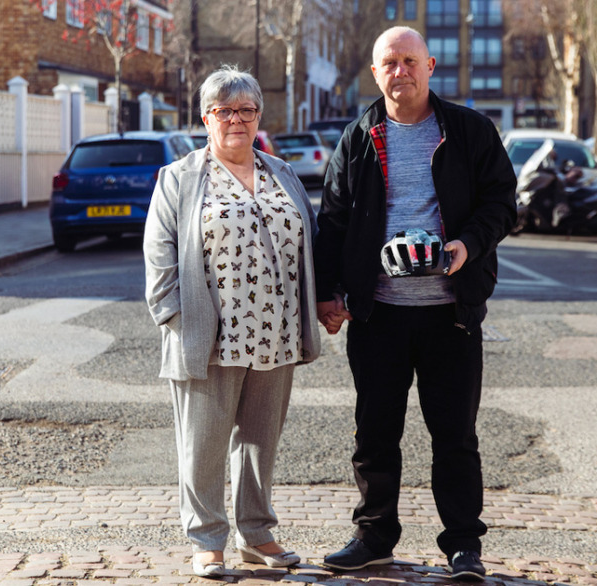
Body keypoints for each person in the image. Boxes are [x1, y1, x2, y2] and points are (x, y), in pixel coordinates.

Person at [313, 26, 516, 581]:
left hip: (450, 312)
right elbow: (330, 221)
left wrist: (465, 247)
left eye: (409, 60)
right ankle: (374, 536)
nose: (399, 71)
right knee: (375, 432)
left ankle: (464, 547)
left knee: (454, 434)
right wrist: (328, 293)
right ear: (374, 73)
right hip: (378, 313)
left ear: (430, 66)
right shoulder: (357, 137)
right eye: (388, 63)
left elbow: (503, 203)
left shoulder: (469, 131)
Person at [143, 64, 321, 578]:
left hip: (277, 330)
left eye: (245, 110)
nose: (235, 120)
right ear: (206, 118)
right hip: (209, 335)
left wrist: (317, 305)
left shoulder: (281, 173)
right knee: (203, 444)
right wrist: (177, 318)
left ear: (258, 115)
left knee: (260, 442)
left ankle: (257, 532)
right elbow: (160, 261)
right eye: (224, 110)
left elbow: (309, 242)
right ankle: (206, 539)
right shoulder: (178, 179)